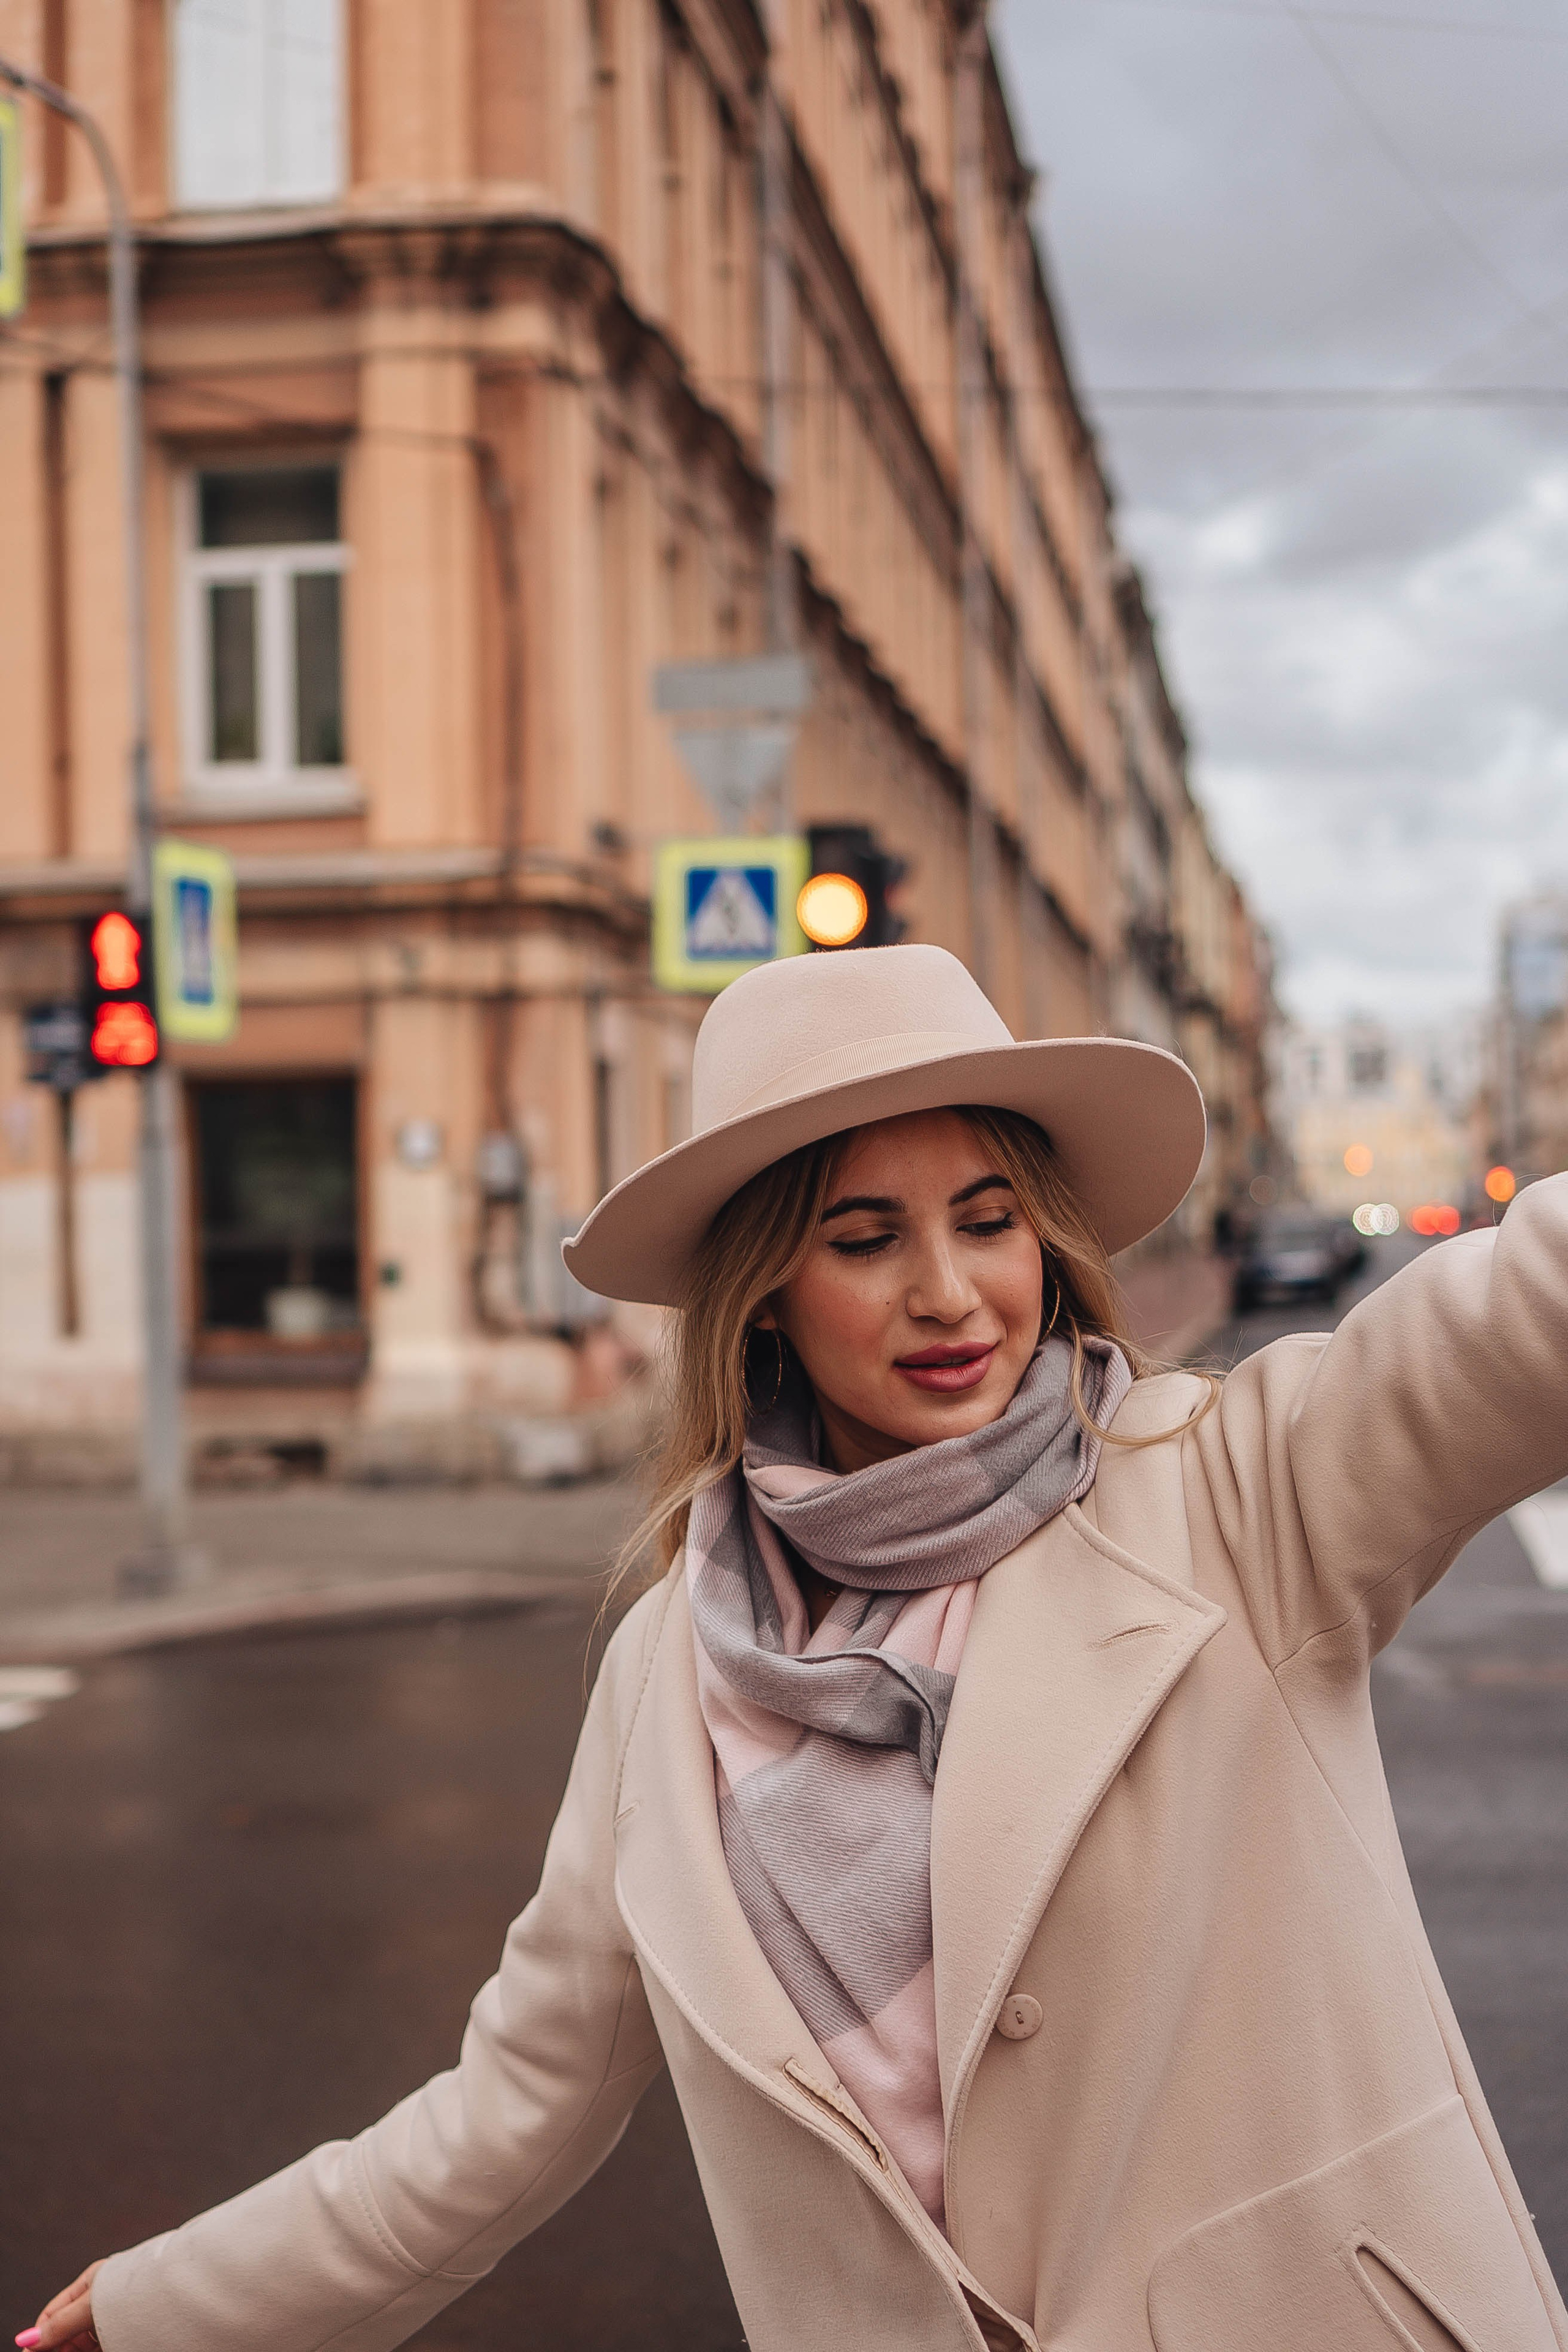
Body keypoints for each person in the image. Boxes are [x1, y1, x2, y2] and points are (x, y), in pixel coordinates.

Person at [23, 943, 1568, 2352]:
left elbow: (1525, 1310)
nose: (948, 1293)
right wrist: (166, 2308)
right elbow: (508, 2114)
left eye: (988, 1221)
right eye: (863, 1238)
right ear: (765, 1291)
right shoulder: (668, 1673)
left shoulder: (1239, 1489)